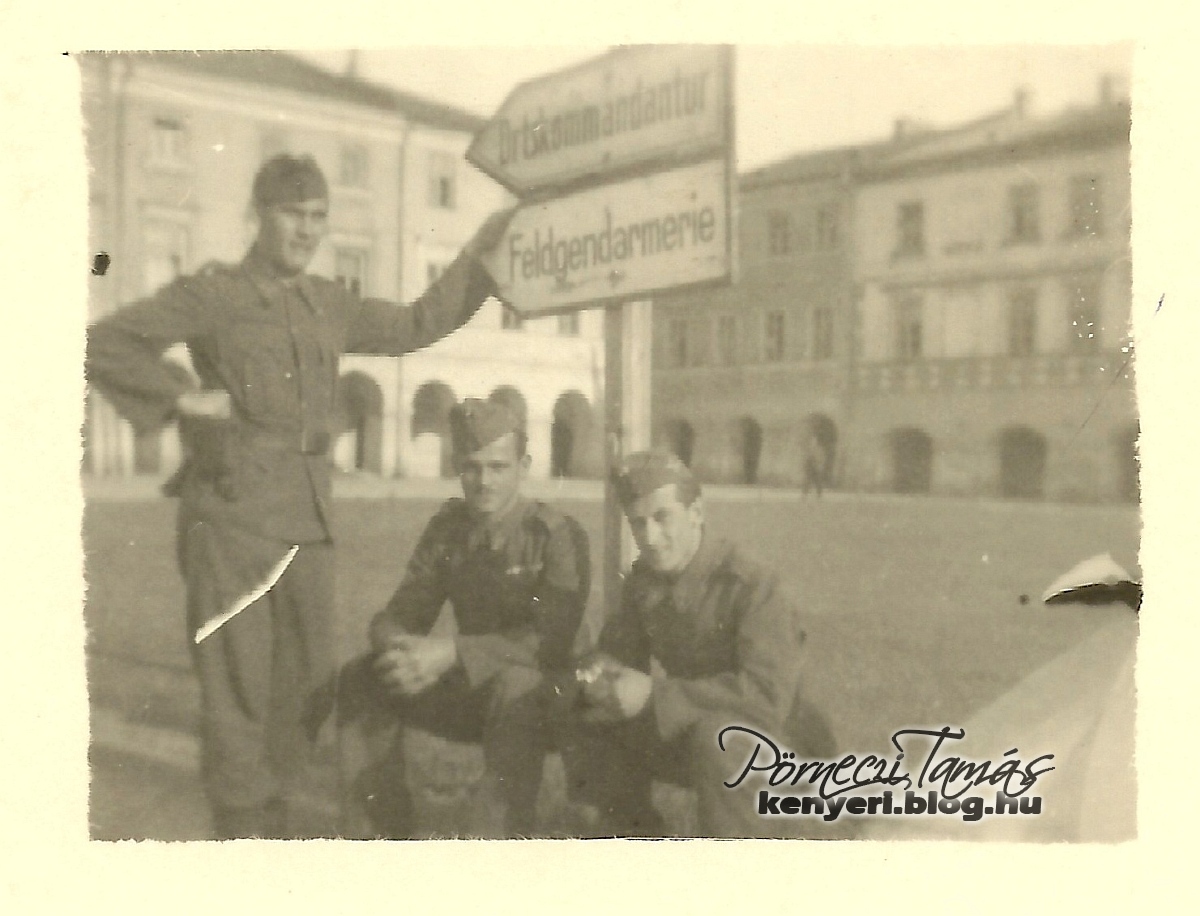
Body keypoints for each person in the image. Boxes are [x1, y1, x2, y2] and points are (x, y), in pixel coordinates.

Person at [84, 154, 514, 839]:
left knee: (304, 697)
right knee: (237, 697)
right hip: (231, 522)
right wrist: (181, 397)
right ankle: (242, 843)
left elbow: (414, 323)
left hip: (308, 527)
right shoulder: (215, 295)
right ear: (259, 215)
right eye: (293, 214)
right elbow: (105, 343)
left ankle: (277, 843)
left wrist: (482, 259)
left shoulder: (328, 303)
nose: (307, 230)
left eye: (318, 217)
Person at [336, 398, 590, 839]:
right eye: (472, 467)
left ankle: (495, 847)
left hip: (550, 699)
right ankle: (378, 838)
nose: (484, 481)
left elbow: (552, 639)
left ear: (524, 465)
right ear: (457, 466)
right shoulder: (449, 529)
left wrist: (450, 652)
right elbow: (400, 612)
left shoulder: (556, 534)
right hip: (476, 688)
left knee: (516, 686)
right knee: (363, 678)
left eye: (498, 467)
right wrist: (399, 648)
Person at [565, 448, 834, 837]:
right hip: (700, 729)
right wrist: (600, 674)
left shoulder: (753, 585)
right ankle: (631, 836)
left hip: (786, 745)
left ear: (697, 512)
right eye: (638, 524)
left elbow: (767, 696)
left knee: (717, 739)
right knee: (588, 710)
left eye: (662, 518)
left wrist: (654, 697)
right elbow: (620, 653)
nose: (650, 538)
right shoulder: (646, 579)